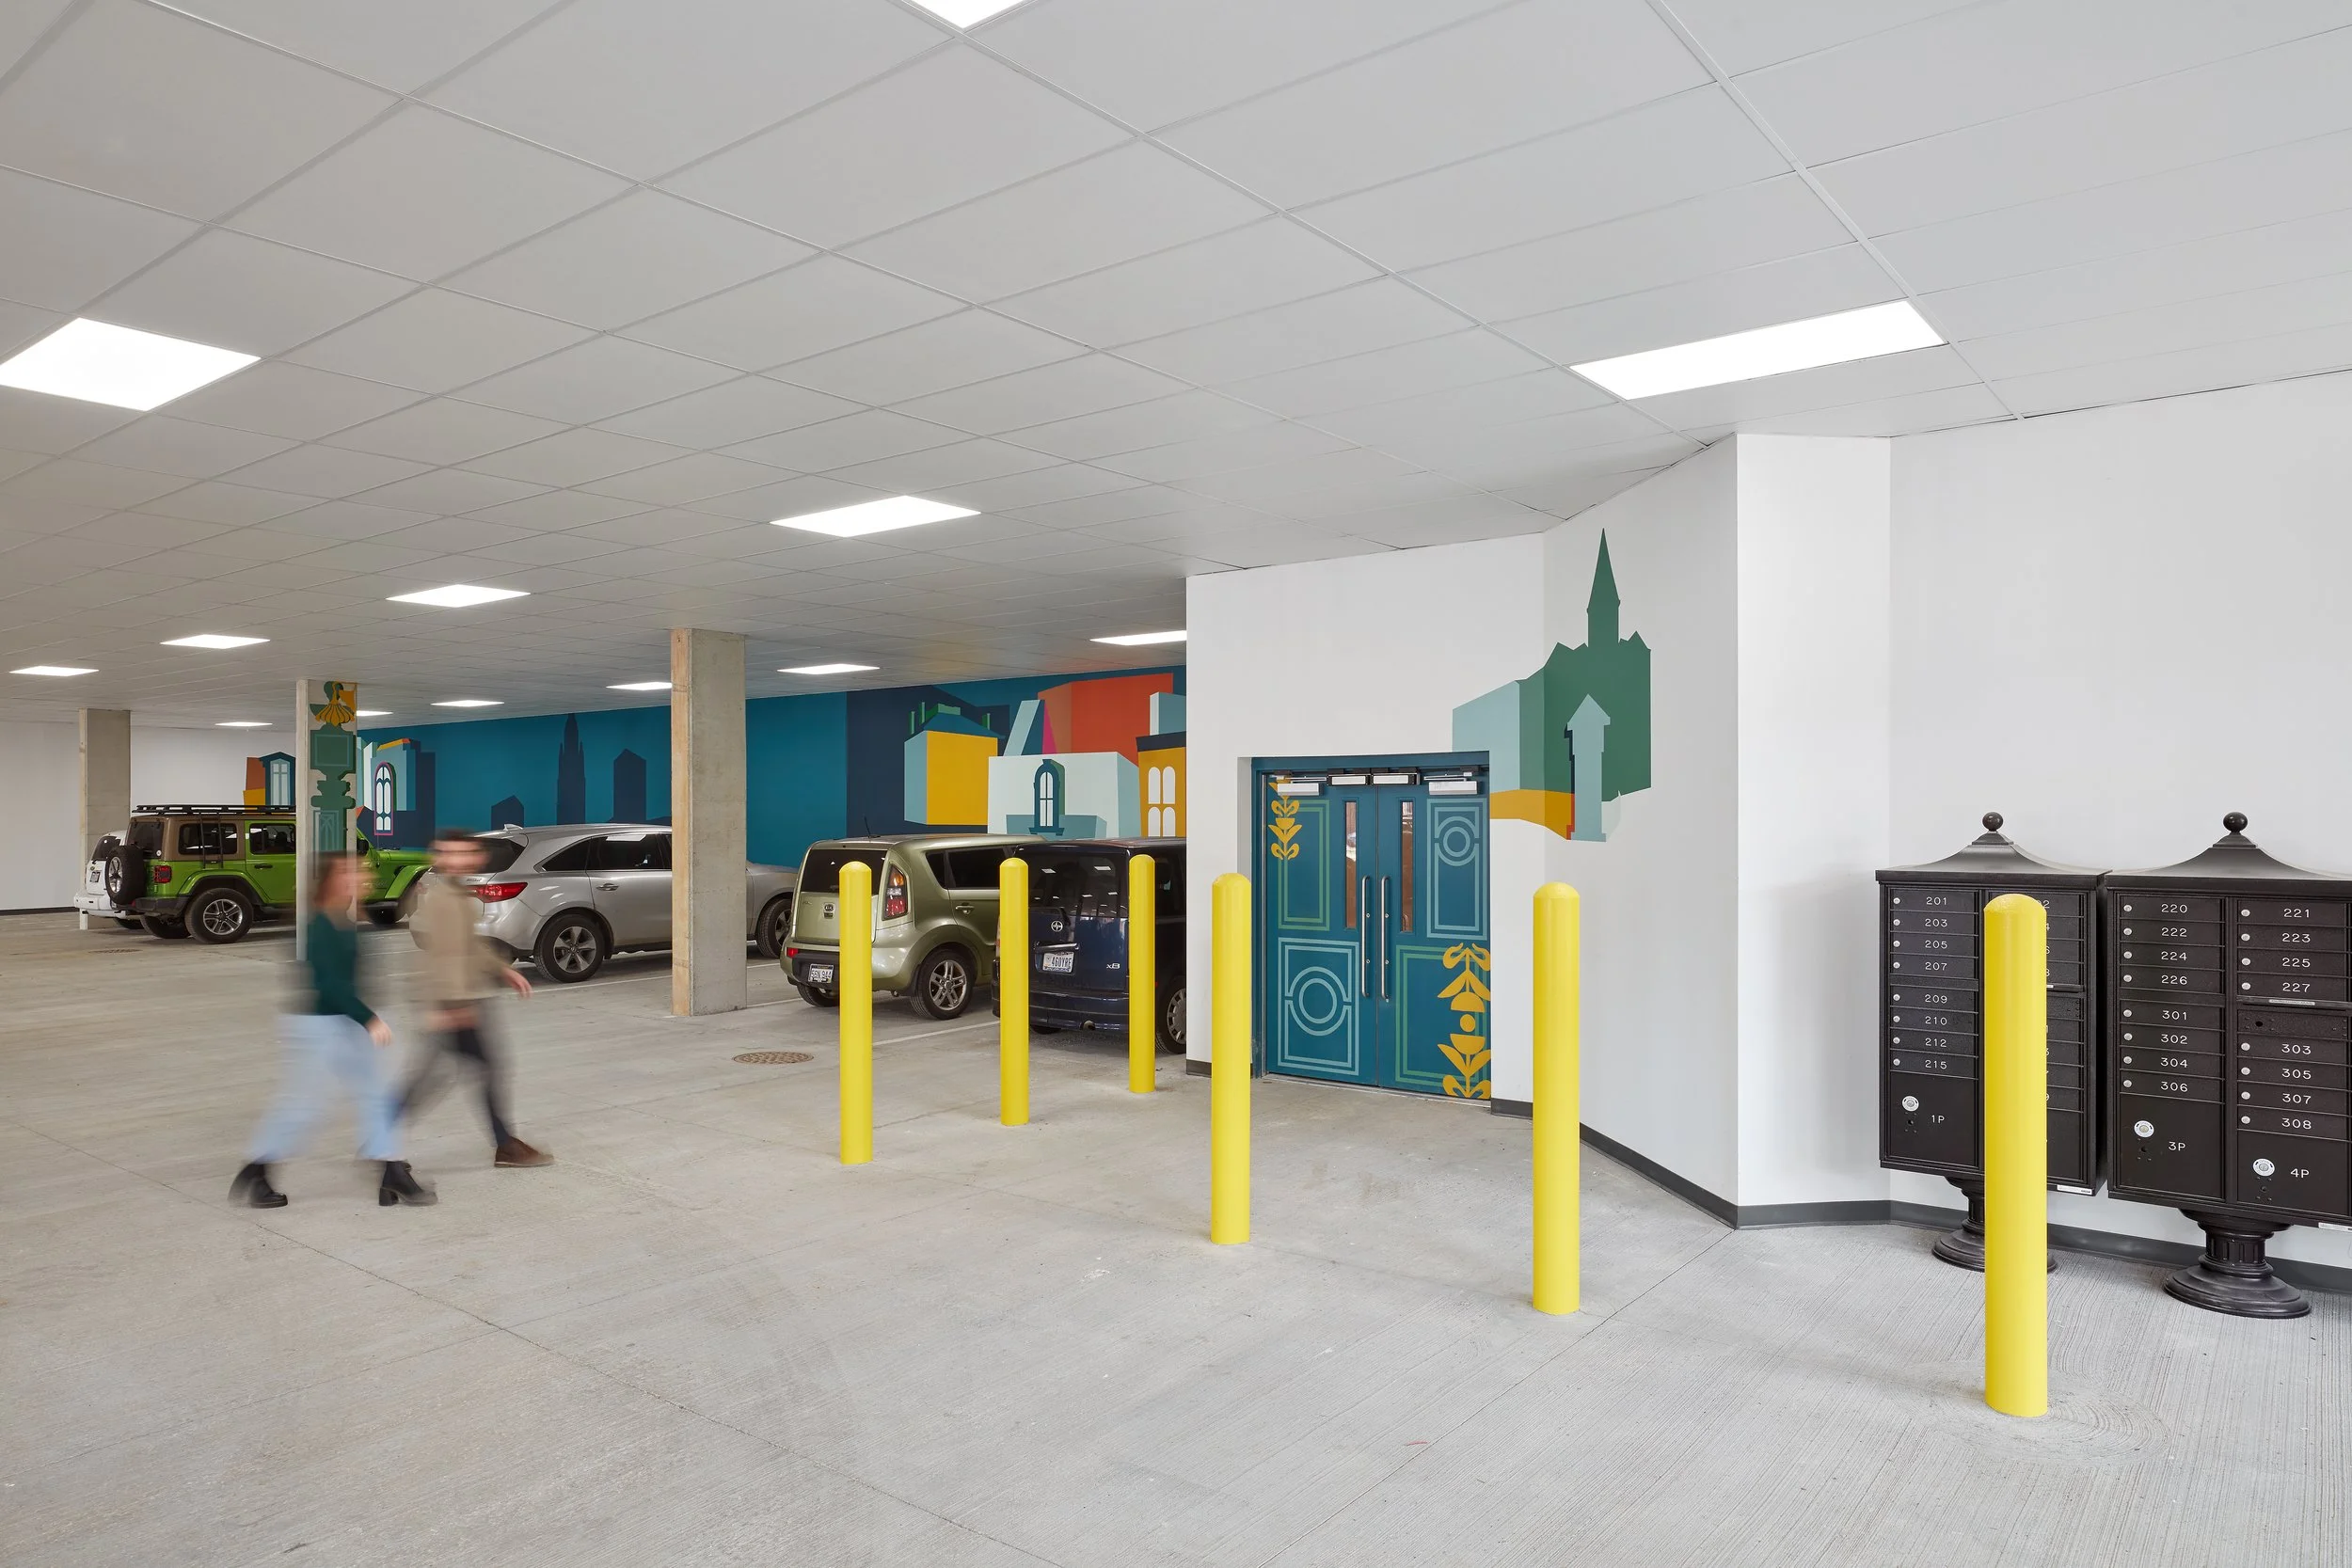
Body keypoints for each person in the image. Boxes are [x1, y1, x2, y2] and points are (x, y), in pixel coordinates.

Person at [231, 854, 435, 1208]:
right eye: (350, 871)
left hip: (350, 1022)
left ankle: (391, 1171)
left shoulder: (346, 918)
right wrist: (369, 1018)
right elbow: (329, 983)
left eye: (361, 869)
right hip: (319, 1025)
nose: (362, 875)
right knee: (305, 1105)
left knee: (378, 1096)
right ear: (329, 881)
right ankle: (257, 1170)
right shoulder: (317, 925)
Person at [398, 830, 550, 1168]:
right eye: (449, 854)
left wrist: (503, 970)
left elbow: (468, 946)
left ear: (476, 857)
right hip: (454, 1003)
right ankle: (379, 1145)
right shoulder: (440, 899)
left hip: (462, 1000)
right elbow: (441, 956)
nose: (457, 860)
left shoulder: (456, 895)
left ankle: (503, 1143)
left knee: (469, 1072)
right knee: (439, 1078)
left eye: (464, 853)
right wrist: (451, 1006)